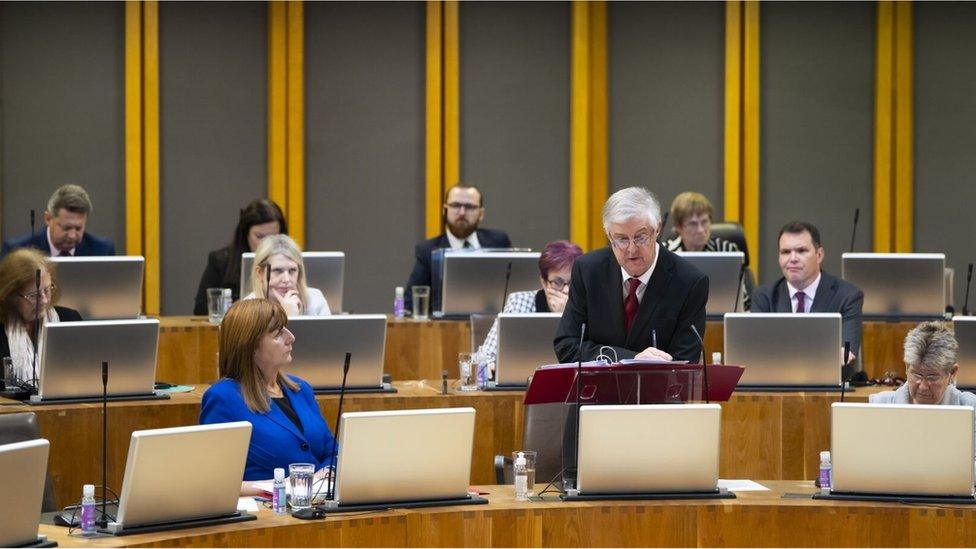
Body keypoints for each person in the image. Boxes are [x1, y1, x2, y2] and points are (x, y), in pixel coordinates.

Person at [554, 187, 708, 363]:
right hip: (598, 388)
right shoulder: (588, 271)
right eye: (622, 239)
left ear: (657, 229)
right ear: (609, 235)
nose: (632, 249)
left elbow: (685, 362)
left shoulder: (690, 282)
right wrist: (632, 359)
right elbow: (567, 345)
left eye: (640, 237)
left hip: (657, 389)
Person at [199, 298, 338, 485]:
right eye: (278, 333)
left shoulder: (301, 389)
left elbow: (332, 452)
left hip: (317, 503)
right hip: (268, 508)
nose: (291, 337)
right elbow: (213, 481)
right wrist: (286, 485)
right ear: (251, 346)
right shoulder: (223, 397)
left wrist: (327, 473)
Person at [751, 221, 863, 362]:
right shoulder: (764, 297)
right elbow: (756, 353)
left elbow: (846, 354)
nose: (792, 259)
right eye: (785, 252)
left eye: (801, 251)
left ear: (819, 255)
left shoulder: (847, 296)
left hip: (829, 381)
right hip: (777, 382)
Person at [404, 182, 512, 312]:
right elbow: (410, 302)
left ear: (481, 213)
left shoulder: (498, 241)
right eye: (455, 205)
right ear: (445, 210)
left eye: (470, 207)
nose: (462, 212)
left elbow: (513, 292)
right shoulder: (428, 250)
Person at [478, 240, 583, 359]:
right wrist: (489, 363)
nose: (566, 290)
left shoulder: (588, 306)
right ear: (543, 282)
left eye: (573, 281)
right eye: (557, 282)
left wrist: (566, 317)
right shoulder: (519, 301)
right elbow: (485, 355)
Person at [0, 249, 82, 384]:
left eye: (47, 289)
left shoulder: (69, 319)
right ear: (11, 296)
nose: (44, 300)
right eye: (33, 295)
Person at [193, 199, 287, 315]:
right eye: (260, 236)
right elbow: (200, 308)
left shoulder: (290, 263)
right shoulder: (221, 260)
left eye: (273, 237)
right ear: (245, 234)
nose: (266, 244)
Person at [870, 322, 976, 407]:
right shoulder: (881, 404)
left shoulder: (970, 407)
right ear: (907, 367)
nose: (923, 386)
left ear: (952, 372)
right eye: (917, 375)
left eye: (932, 377)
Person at [1, 184, 116, 258]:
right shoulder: (16, 252)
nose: (72, 235)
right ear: (48, 219)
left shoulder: (102, 251)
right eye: (66, 228)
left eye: (78, 228)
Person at [243, 234, 330, 316]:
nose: (286, 279)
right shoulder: (247, 308)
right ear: (260, 273)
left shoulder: (315, 299)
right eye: (277, 270)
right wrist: (290, 317)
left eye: (292, 270)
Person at [665, 192, 741, 252]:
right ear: (678, 227)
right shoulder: (665, 252)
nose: (700, 230)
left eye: (704, 222)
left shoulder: (727, 250)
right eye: (693, 224)